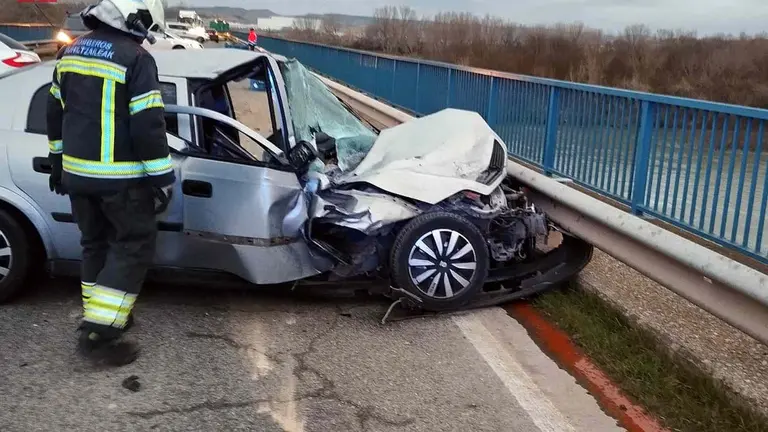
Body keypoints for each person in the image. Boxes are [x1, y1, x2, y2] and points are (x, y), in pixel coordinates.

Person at [46, 0, 175, 367]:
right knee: (132, 246)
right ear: (133, 18)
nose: (145, 36)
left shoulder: (70, 52)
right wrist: (162, 178)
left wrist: (57, 162)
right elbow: (148, 125)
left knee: (95, 244)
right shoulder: (136, 59)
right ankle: (100, 334)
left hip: (76, 176)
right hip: (120, 179)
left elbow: (54, 112)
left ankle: (103, 313)